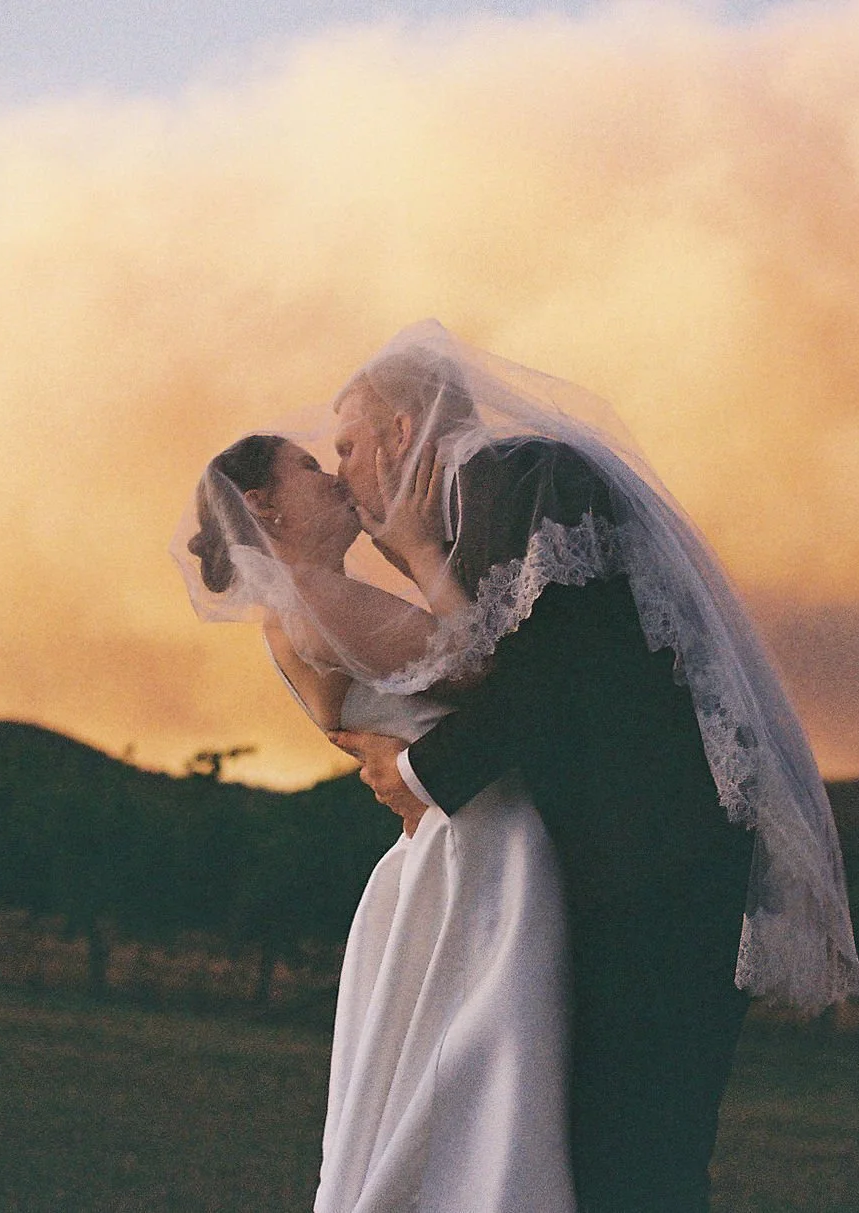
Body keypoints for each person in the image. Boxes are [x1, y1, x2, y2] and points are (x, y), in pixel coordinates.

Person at [321, 322, 859, 1213]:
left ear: (401, 431)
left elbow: (548, 678)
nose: (339, 473)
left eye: (347, 446)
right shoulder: (475, 508)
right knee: (613, 1155)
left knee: (638, 1158)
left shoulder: (514, 479)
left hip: (658, 871)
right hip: (634, 869)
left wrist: (415, 773)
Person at [176, 433, 577, 1213]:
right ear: (262, 505)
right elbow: (473, 662)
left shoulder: (294, 607)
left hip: (445, 841)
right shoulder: (313, 596)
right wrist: (421, 550)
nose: (332, 477)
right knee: (490, 1087)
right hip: (483, 845)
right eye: (307, 467)